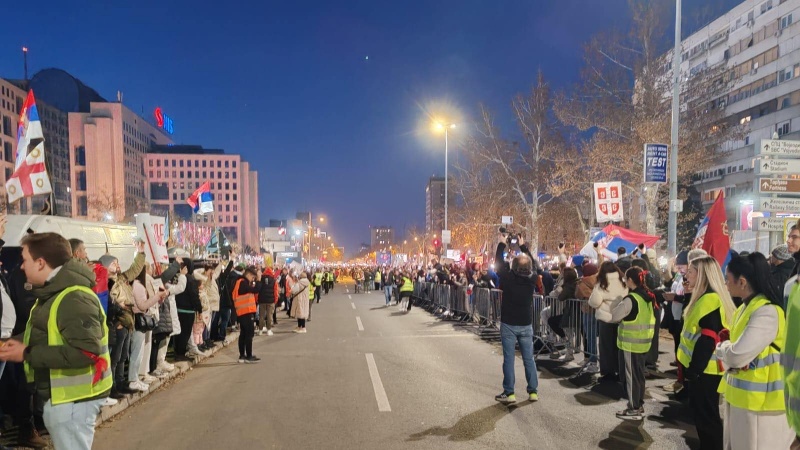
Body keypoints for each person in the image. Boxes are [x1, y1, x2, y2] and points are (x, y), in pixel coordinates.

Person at [0, 233, 112, 450]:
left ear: (41, 263)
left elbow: (85, 353)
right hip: (66, 399)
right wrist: (11, 344)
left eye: (25, 260)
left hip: (74, 400)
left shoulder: (73, 297)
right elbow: (45, 332)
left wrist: (26, 353)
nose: (22, 267)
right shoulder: (55, 293)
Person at [716, 253, 794, 449]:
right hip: (745, 400)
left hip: (763, 406)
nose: (725, 284)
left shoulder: (766, 312)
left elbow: (736, 355)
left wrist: (722, 348)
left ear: (742, 282)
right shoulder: (747, 308)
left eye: (728, 278)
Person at [677, 255, 736, 450]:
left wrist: (694, 370)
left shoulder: (709, 300)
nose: (688, 276)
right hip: (707, 369)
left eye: (692, 272)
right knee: (706, 417)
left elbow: (708, 338)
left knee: (706, 419)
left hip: (705, 370)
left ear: (702, 275)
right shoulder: (709, 297)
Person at [493, 232, 539, 404]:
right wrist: (523, 246)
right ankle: (533, 391)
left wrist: (501, 244)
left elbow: (498, 263)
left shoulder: (508, 278)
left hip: (509, 323)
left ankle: (509, 392)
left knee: (509, 359)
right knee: (529, 359)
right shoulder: (532, 279)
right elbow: (534, 264)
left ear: (513, 267)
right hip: (526, 323)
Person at [611, 266, 656, 420]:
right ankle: (638, 404)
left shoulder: (632, 299)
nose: (625, 281)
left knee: (630, 377)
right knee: (638, 376)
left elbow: (616, 316)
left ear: (630, 280)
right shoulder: (647, 297)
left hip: (630, 344)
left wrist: (617, 304)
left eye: (625, 279)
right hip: (643, 344)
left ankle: (633, 408)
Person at [588, 261, 627, 382]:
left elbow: (594, 302)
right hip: (620, 318)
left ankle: (607, 372)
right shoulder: (623, 281)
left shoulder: (602, 283)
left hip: (606, 319)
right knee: (618, 347)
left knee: (606, 347)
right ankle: (619, 371)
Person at [233, 267, 260, 363]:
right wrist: (259, 280)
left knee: (243, 334)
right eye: (253, 277)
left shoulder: (239, 282)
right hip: (246, 312)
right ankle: (248, 356)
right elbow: (256, 290)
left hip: (242, 312)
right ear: (248, 275)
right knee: (249, 334)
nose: (253, 280)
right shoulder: (243, 283)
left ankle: (242, 356)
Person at [257, 267, 278, 336]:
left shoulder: (261, 279)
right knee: (269, 315)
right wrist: (275, 299)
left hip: (262, 300)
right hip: (270, 301)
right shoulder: (273, 280)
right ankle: (269, 330)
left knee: (261, 316)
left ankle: (260, 330)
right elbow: (275, 291)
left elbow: (258, 290)